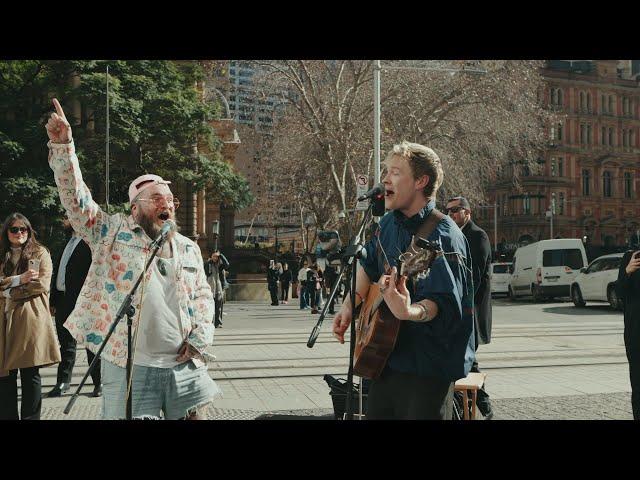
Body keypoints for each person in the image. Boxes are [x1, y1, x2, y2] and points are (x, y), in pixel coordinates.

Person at [45, 98, 220, 420]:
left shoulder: (186, 246)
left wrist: (200, 337)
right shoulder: (110, 232)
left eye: (170, 198)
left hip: (184, 360)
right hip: (129, 361)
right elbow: (76, 199)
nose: (166, 203)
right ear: (135, 207)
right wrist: (63, 147)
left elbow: (204, 296)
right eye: (156, 198)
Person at [332, 141, 475, 420]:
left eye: (395, 172)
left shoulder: (444, 235)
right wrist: (351, 305)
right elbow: (368, 263)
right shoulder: (387, 224)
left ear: (421, 181)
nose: (385, 178)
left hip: (427, 367)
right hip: (385, 361)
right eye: (386, 171)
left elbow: (442, 303)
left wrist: (408, 311)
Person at [0, 213, 61, 420]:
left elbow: (40, 285)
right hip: (4, 321)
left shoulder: (39, 253)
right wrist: (19, 279)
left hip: (29, 319)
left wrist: (8, 290)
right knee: (5, 377)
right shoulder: (2, 254)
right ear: (6, 232)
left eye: (23, 229)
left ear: (29, 230)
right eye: (14, 229)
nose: (19, 233)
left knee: (30, 374)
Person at [446, 195, 494, 419]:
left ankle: (483, 405)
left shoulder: (477, 236)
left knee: (468, 358)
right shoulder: (453, 235)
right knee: (465, 358)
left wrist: (459, 306)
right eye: (449, 211)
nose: (451, 214)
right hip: (460, 310)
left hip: (470, 311)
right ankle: (474, 404)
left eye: (456, 210)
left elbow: (473, 278)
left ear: (467, 212)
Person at [48, 216, 102, 398]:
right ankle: (63, 382)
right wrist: (53, 301)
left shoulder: (90, 243)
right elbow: (58, 273)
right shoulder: (66, 242)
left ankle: (98, 382)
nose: (68, 218)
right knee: (66, 344)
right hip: (63, 300)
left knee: (90, 345)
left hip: (84, 301)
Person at [617, 248, 640, 419]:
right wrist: (627, 272)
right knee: (638, 388)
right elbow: (620, 293)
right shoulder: (631, 257)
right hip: (636, 335)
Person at [205, 250, 229, 328]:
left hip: (219, 288)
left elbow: (227, 264)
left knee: (218, 306)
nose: (215, 258)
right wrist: (209, 263)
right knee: (209, 306)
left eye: (216, 256)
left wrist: (221, 255)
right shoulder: (207, 264)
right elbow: (206, 272)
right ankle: (210, 321)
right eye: (214, 256)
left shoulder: (220, 265)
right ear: (211, 256)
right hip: (210, 288)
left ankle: (218, 322)